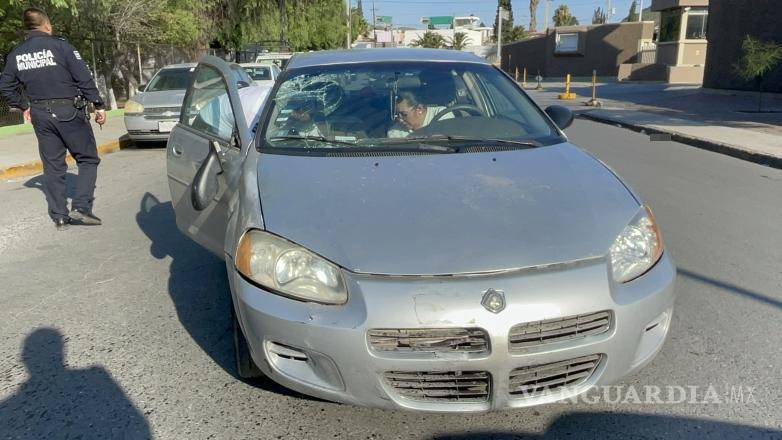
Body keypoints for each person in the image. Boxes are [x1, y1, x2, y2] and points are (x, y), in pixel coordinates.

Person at [0, 8, 106, 230]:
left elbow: (6, 87)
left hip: (39, 113)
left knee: (53, 166)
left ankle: (59, 216)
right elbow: (83, 78)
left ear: (26, 28)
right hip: (68, 111)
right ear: (46, 25)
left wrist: (24, 105)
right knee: (87, 159)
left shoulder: (16, 53)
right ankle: (82, 206)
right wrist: (98, 104)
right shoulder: (61, 46)